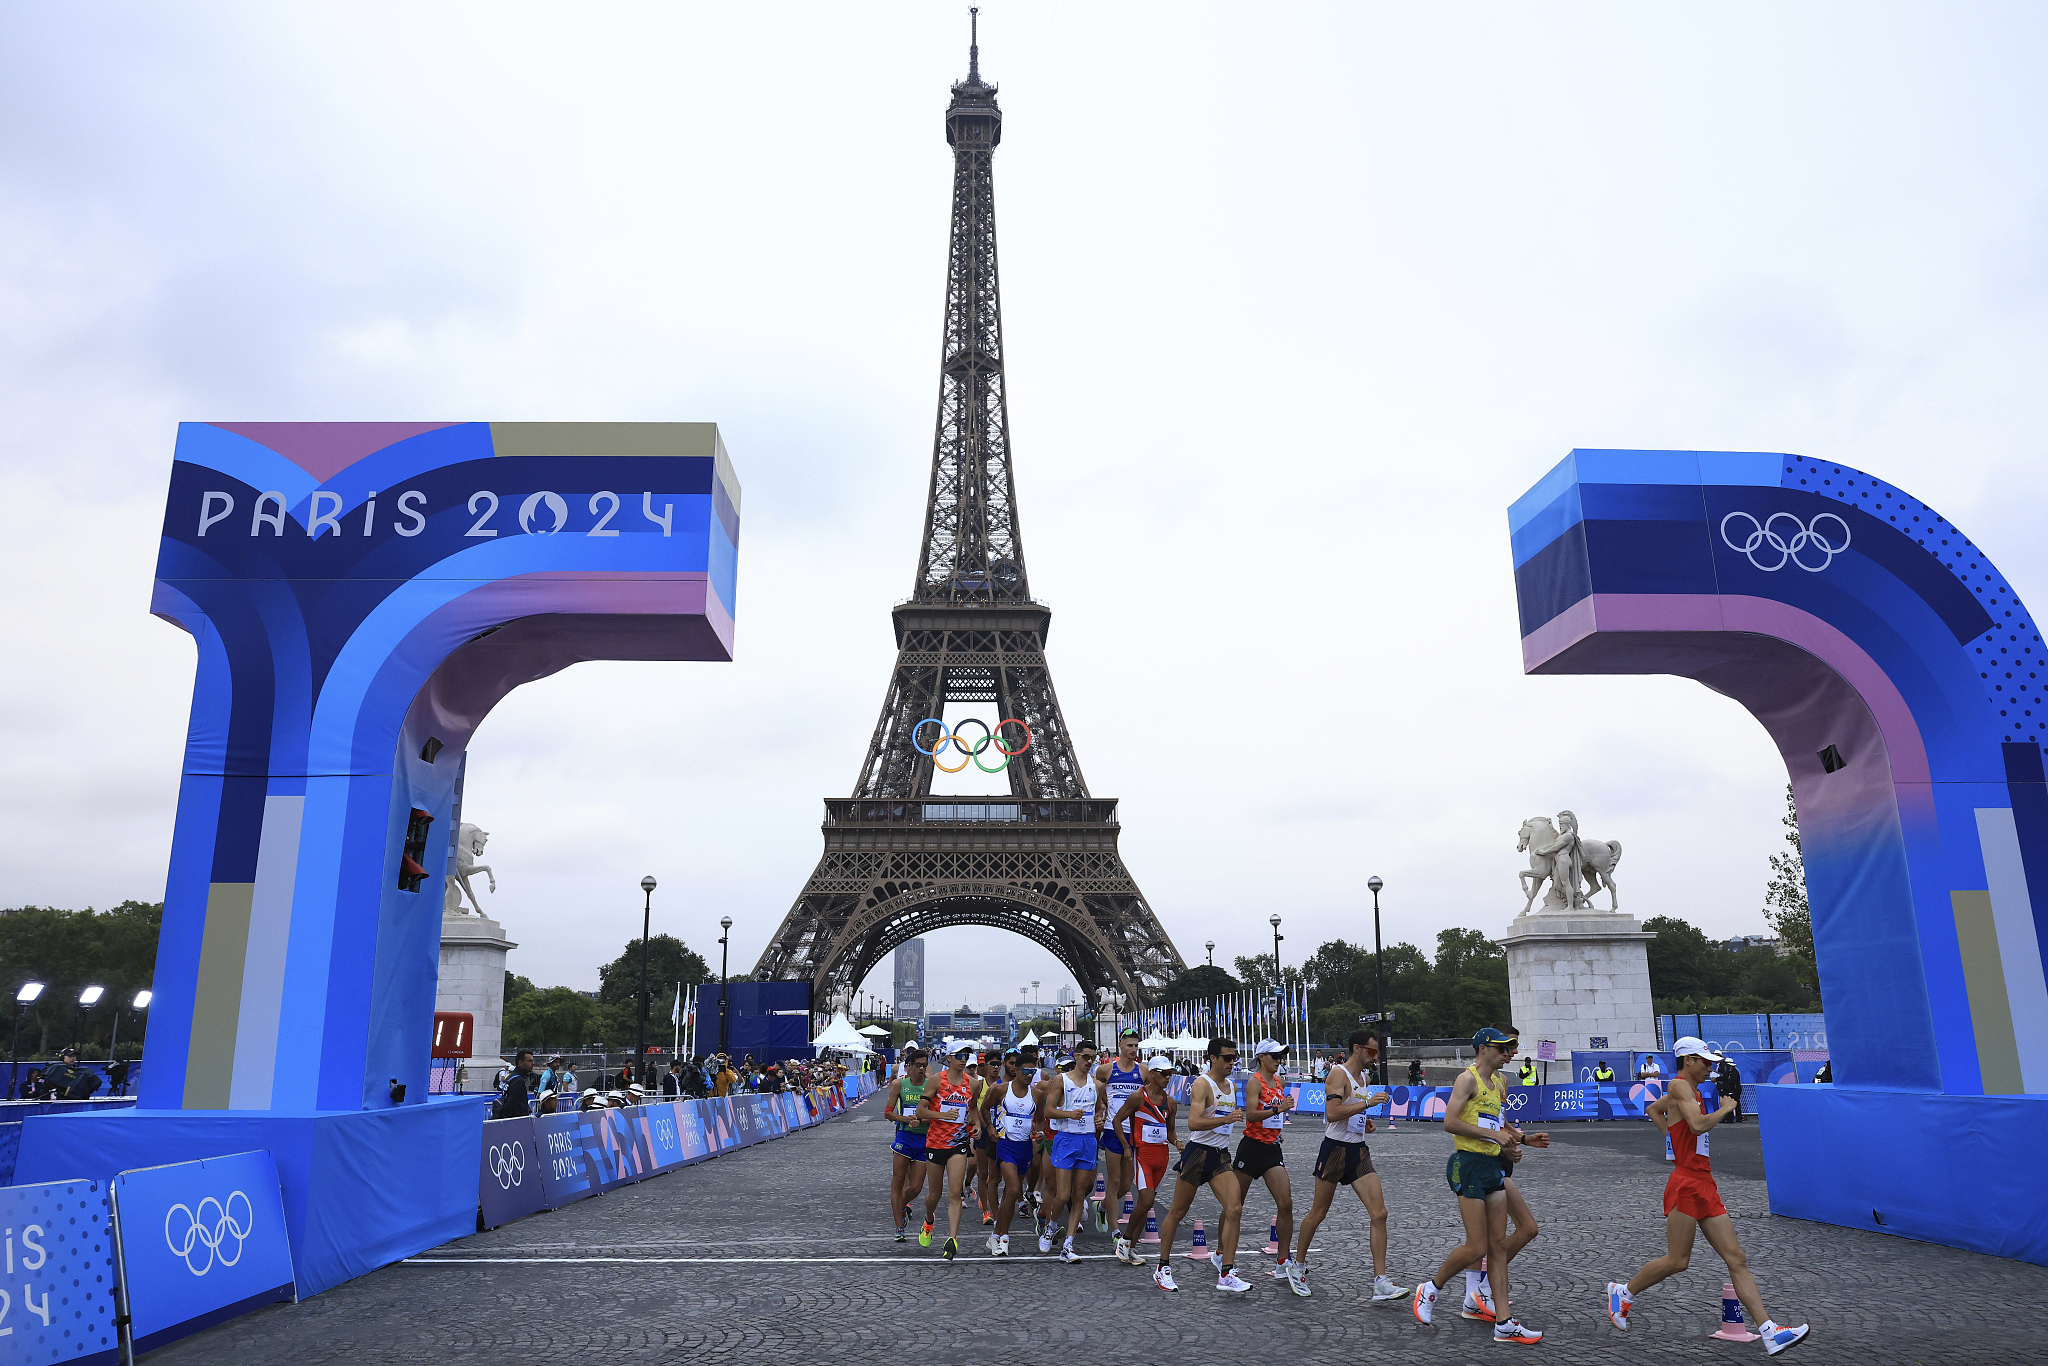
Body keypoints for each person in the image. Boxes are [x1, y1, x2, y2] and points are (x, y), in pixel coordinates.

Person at [1607, 1037, 1809, 1356]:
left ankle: (1770, 1332)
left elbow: (1653, 1110)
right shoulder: (1679, 1087)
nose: (1710, 1067)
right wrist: (1726, 1108)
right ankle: (1624, 1292)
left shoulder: (1694, 1091)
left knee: (1736, 1258)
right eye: (1705, 1061)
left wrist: (1673, 1142)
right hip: (1686, 1183)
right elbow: (1699, 1126)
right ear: (1687, 1060)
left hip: (1704, 1182)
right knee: (1678, 1261)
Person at [1412, 1026, 1549, 1346]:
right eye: (1501, 1048)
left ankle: (1504, 1323)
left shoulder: (1500, 1082)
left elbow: (1499, 1123)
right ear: (1483, 1049)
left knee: (1498, 1247)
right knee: (1476, 1247)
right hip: (1469, 1165)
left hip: (1492, 1167)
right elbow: (1450, 1122)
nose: (1507, 1053)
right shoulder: (1467, 1079)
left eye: (1508, 1048)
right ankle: (1430, 1289)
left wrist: (1523, 1139)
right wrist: (1495, 1137)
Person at [1296, 1029, 1405, 1302]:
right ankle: (1296, 1266)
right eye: (1372, 1050)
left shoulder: (1365, 1077)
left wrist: (1364, 1120)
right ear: (1357, 1048)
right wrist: (1366, 1103)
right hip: (1334, 1151)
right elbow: (1332, 1113)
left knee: (1379, 1213)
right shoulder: (1337, 1075)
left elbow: (1350, 1110)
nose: (1375, 1055)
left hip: (1358, 1151)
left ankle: (1380, 1281)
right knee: (1318, 1213)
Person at [1153, 1036, 1251, 1293]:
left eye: (1235, 1057)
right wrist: (1225, 1119)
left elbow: (1227, 1120)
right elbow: (1193, 1123)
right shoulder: (1202, 1084)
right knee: (1177, 1211)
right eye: (1228, 1058)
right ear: (1213, 1059)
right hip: (1198, 1154)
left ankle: (1227, 1272)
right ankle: (1162, 1267)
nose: (1233, 1061)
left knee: (1235, 1207)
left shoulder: (1232, 1085)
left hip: (1219, 1155)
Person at [1237, 1039, 1304, 1293]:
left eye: (1281, 1056)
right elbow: (1251, 1115)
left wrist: (1277, 1128)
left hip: (1272, 1148)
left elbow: (1272, 1117)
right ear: (1262, 1057)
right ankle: (1221, 1253)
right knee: (1235, 1205)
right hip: (1251, 1147)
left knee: (1286, 1203)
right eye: (1275, 1056)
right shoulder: (1255, 1081)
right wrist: (1278, 1109)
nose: (1279, 1060)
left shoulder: (1280, 1082)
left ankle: (1282, 1260)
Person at [1037, 1040, 1108, 1264]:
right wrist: (1068, 1114)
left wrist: (1100, 1119)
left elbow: (1100, 1110)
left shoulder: (1096, 1085)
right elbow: (1048, 1110)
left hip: (1087, 1141)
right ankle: (1051, 1226)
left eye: (1093, 1057)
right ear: (1075, 1056)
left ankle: (1068, 1245)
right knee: (1063, 1194)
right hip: (1066, 1140)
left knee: (1079, 1195)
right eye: (1085, 1057)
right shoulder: (1061, 1080)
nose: (1089, 1061)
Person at [1108, 1055, 1180, 1266]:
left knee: (1145, 1204)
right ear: (1152, 1074)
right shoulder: (1138, 1097)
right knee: (1147, 1200)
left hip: (1162, 1157)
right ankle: (1125, 1240)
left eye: (1171, 1074)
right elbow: (1116, 1120)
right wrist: (1126, 1148)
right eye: (1164, 1074)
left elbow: (1171, 1131)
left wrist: (1178, 1143)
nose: (1168, 1077)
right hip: (1143, 1156)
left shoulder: (1171, 1102)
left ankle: (1131, 1247)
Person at [917, 1045, 977, 1260]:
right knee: (934, 1194)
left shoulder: (973, 1084)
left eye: (966, 1056)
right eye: (960, 1056)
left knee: (955, 1193)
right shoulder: (937, 1080)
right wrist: (941, 1115)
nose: (964, 1060)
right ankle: (929, 1220)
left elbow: (973, 1109)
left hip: (958, 1144)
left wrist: (976, 1124)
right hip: (935, 1143)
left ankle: (952, 1239)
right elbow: (920, 1111)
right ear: (949, 1058)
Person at [1095, 1028, 1146, 1234]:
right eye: (1130, 1046)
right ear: (1121, 1046)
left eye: (1136, 1046)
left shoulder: (1143, 1071)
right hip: (1112, 1131)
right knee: (1114, 1180)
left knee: (1126, 1184)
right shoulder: (1106, 1070)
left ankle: (1103, 1206)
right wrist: (1101, 1111)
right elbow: (1098, 1092)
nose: (1134, 1049)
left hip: (1134, 1132)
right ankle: (1116, 1231)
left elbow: (1151, 1097)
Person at [987, 1049, 1038, 1256]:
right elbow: (983, 1108)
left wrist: (1039, 1132)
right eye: (1026, 1071)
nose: (1029, 1075)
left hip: (1024, 1147)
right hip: (1006, 1145)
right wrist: (990, 1127)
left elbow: (1041, 1119)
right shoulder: (1001, 1089)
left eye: (1033, 1072)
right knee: (1015, 1189)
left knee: (1010, 1193)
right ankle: (1005, 1237)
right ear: (1016, 1070)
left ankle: (995, 1235)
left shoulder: (1037, 1094)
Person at [884, 1049, 930, 1242]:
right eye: (917, 1065)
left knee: (916, 1187)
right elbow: (887, 1113)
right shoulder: (899, 1085)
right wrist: (905, 1119)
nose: (921, 1069)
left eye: (924, 1065)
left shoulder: (931, 1085)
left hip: (924, 1140)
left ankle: (901, 1205)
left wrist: (923, 1120)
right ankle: (899, 1226)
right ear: (909, 1066)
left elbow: (937, 1115)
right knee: (898, 1180)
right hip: (904, 1137)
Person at [492, 1050, 536, 1120]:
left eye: (533, 1061)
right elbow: (512, 1104)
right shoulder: (518, 1080)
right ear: (520, 1063)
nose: (533, 1063)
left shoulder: (511, 1076)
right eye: (530, 1061)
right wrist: (505, 1121)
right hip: (516, 1121)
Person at [1718, 1059, 1744, 1123]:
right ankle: (1735, 1117)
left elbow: (1733, 1081)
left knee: (1736, 1103)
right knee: (1735, 1103)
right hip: (1733, 1089)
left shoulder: (1734, 1072)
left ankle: (1738, 1118)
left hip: (1736, 1090)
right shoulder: (1731, 1072)